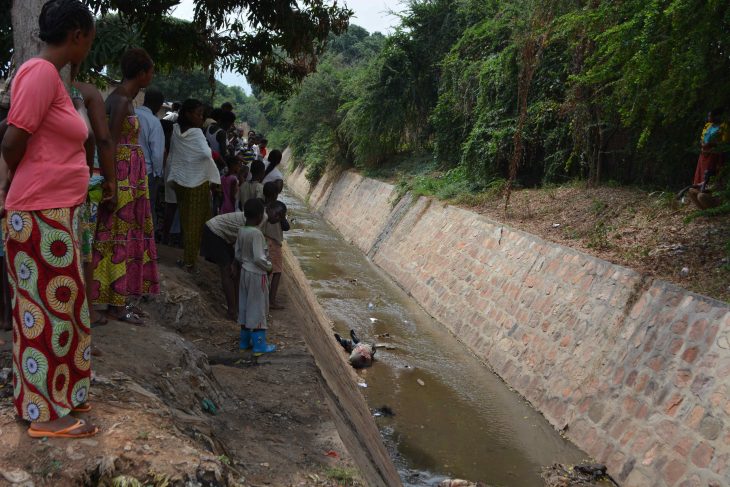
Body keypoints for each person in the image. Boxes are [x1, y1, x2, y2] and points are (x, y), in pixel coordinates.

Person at [0, 0, 101, 438]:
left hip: (54, 214)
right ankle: (44, 416)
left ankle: (63, 393)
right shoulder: (41, 74)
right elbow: (12, 139)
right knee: (45, 313)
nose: (90, 46)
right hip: (39, 213)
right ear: (77, 34)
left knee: (68, 308)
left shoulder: (50, 77)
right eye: (90, 38)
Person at [93, 48, 159, 325]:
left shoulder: (123, 99)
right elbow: (108, 143)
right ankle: (114, 304)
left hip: (129, 177)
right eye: (150, 71)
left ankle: (119, 300)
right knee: (116, 239)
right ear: (142, 72)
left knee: (123, 238)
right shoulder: (120, 100)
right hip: (122, 177)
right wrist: (113, 184)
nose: (151, 77)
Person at [166, 98, 221, 270]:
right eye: (198, 114)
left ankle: (188, 258)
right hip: (196, 182)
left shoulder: (175, 129)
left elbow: (174, 154)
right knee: (196, 224)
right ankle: (190, 261)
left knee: (186, 221)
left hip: (179, 180)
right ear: (188, 114)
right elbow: (206, 153)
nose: (201, 118)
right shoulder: (196, 133)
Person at [235, 198, 276, 354]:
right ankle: (259, 345)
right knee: (258, 307)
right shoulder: (257, 234)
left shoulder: (241, 230)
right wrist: (269, 267)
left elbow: (237, 254)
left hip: (244, 272)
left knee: (245, 305)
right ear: (260, 216)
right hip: (257, 274)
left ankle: (244, 342)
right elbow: (259, 258)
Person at [201, 210, 248, 320]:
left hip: (224, 235)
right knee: (226, 270)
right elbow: (241, 245)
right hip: (215, 232)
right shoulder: (255, 225)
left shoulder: (253, 223)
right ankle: (231, 311)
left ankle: (237, 307)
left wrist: (236, 263)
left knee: (236, 271)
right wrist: (234, 263)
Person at [135, 88, 165, 230]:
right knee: (147, 208)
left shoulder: (131, 113)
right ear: (159, 105)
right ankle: (146, 242)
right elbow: (157, 154)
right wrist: (158, 174)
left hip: (126, 167)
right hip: (147, 171)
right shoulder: (154, 122)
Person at [262, 182, 289, 309]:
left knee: (266, 270)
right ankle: (271, 301)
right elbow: (286, 227)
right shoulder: (276, 210)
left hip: (263, 240)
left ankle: (263, 296)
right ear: (275, 195)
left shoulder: (262, 207)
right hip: (274, 242)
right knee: (276, 271)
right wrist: (282, 216)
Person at [693, 108, 728, 187]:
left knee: (709, 171)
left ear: (717, 117)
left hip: (713, 153)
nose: (708, 118)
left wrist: (710, 144)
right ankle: (697, 188)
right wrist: (702, 143)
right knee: (701, 171)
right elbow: (702, 137)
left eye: (710, 116)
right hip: (704, 153)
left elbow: (724, 142)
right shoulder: (707, 125)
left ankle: (707, 188)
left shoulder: (724, 126)